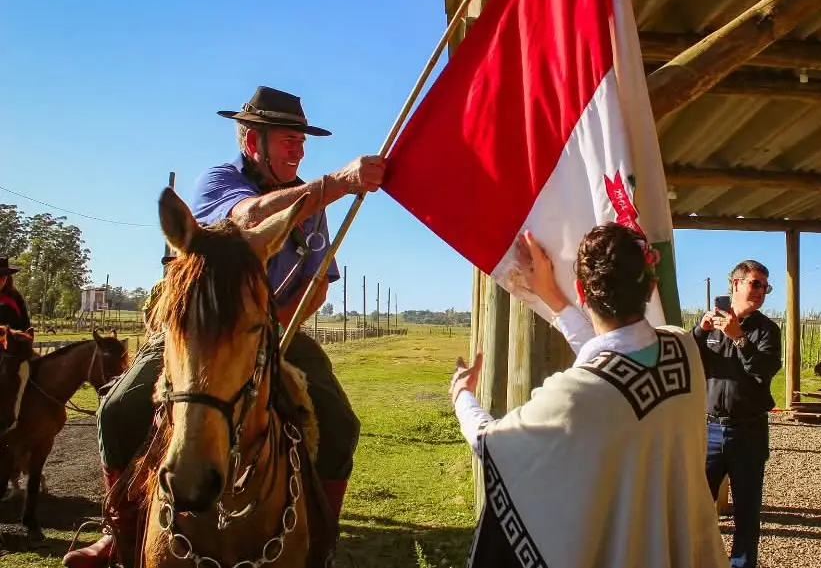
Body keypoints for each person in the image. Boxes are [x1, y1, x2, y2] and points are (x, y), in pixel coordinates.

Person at [65, 87, 385, 568]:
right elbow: (247, 217)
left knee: (339, 423)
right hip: (198, 330)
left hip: (276, 328)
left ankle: (321, 541)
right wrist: (336, 182)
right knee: (119, 408)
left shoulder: (311, 205)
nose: (297, 149)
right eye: (286, 139)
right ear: (252, 142)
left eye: (301, 139)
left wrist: (266, 327)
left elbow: (318, 283)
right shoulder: (222, 181)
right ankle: (120, 532)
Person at [450, 225, 728, 568]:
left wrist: (462, 394)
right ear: (651, 287)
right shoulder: (683, 349)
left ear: (582, 290)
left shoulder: (576, 394)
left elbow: (489, 441)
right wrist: (551, 296)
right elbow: (613, 359)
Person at [694, 261, 782, 568]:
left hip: (748, 432)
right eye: (755, 284)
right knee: (695, 509)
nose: (761, 292)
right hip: (710, 430)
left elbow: (763, 371)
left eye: (765, 287)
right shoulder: (711, 326)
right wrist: (698, 331)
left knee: (746, 514)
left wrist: (739, 338)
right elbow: (689, 362)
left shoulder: (767, 330)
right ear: (736, 284)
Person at [0, 256, 32, 334]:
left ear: (7, 277)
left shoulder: (15, 297)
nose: (1, 281)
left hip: (13, 342)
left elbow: (25, 325)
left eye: (3, 277)